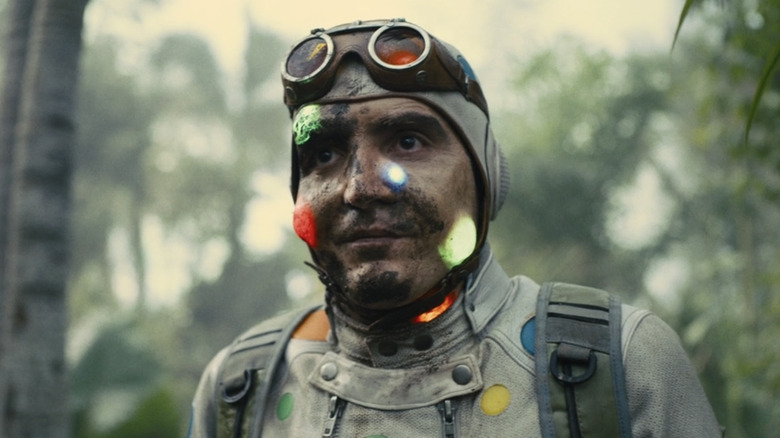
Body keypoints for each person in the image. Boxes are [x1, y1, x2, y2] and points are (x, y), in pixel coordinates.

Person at [189, 18, 722, 437]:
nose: (361, 187)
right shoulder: (242, 386)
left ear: (486, 177)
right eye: (324, 153)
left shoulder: (619, 364)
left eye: (408, 141)